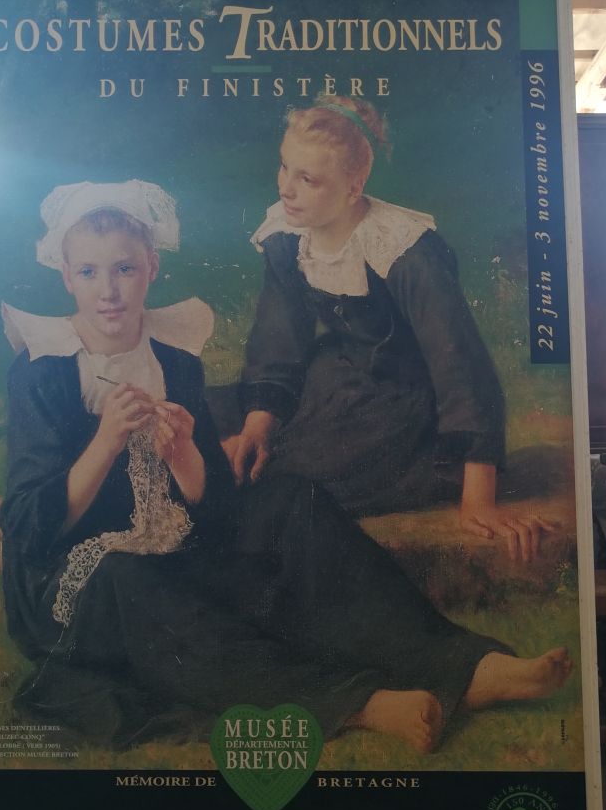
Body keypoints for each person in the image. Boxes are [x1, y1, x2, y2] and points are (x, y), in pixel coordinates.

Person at [0, 180, 572, 753]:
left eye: (124, 269)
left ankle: (465, 667)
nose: (108, 291)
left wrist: (184, 454)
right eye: (89, 273)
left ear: (151, 267)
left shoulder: (173, 357)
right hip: (85, 582)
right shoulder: (43, 370)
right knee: (130, 579)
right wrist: (105, 442)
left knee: (290, 497)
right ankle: (359, 704)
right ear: (66, 276)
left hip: (175, 549)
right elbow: (28, 527)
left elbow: (214, 509)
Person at [223, 96, 553, 561]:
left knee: (288, 473)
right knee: (211, 418)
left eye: (307, 179)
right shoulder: (288, 235)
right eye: (284, 167)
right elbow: (280, 339)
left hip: (400, 405)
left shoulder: (405, 250)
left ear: (353, 186)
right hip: (333, 378)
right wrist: (260, 422)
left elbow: (461, 367)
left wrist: (479, 497)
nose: (286, 189)